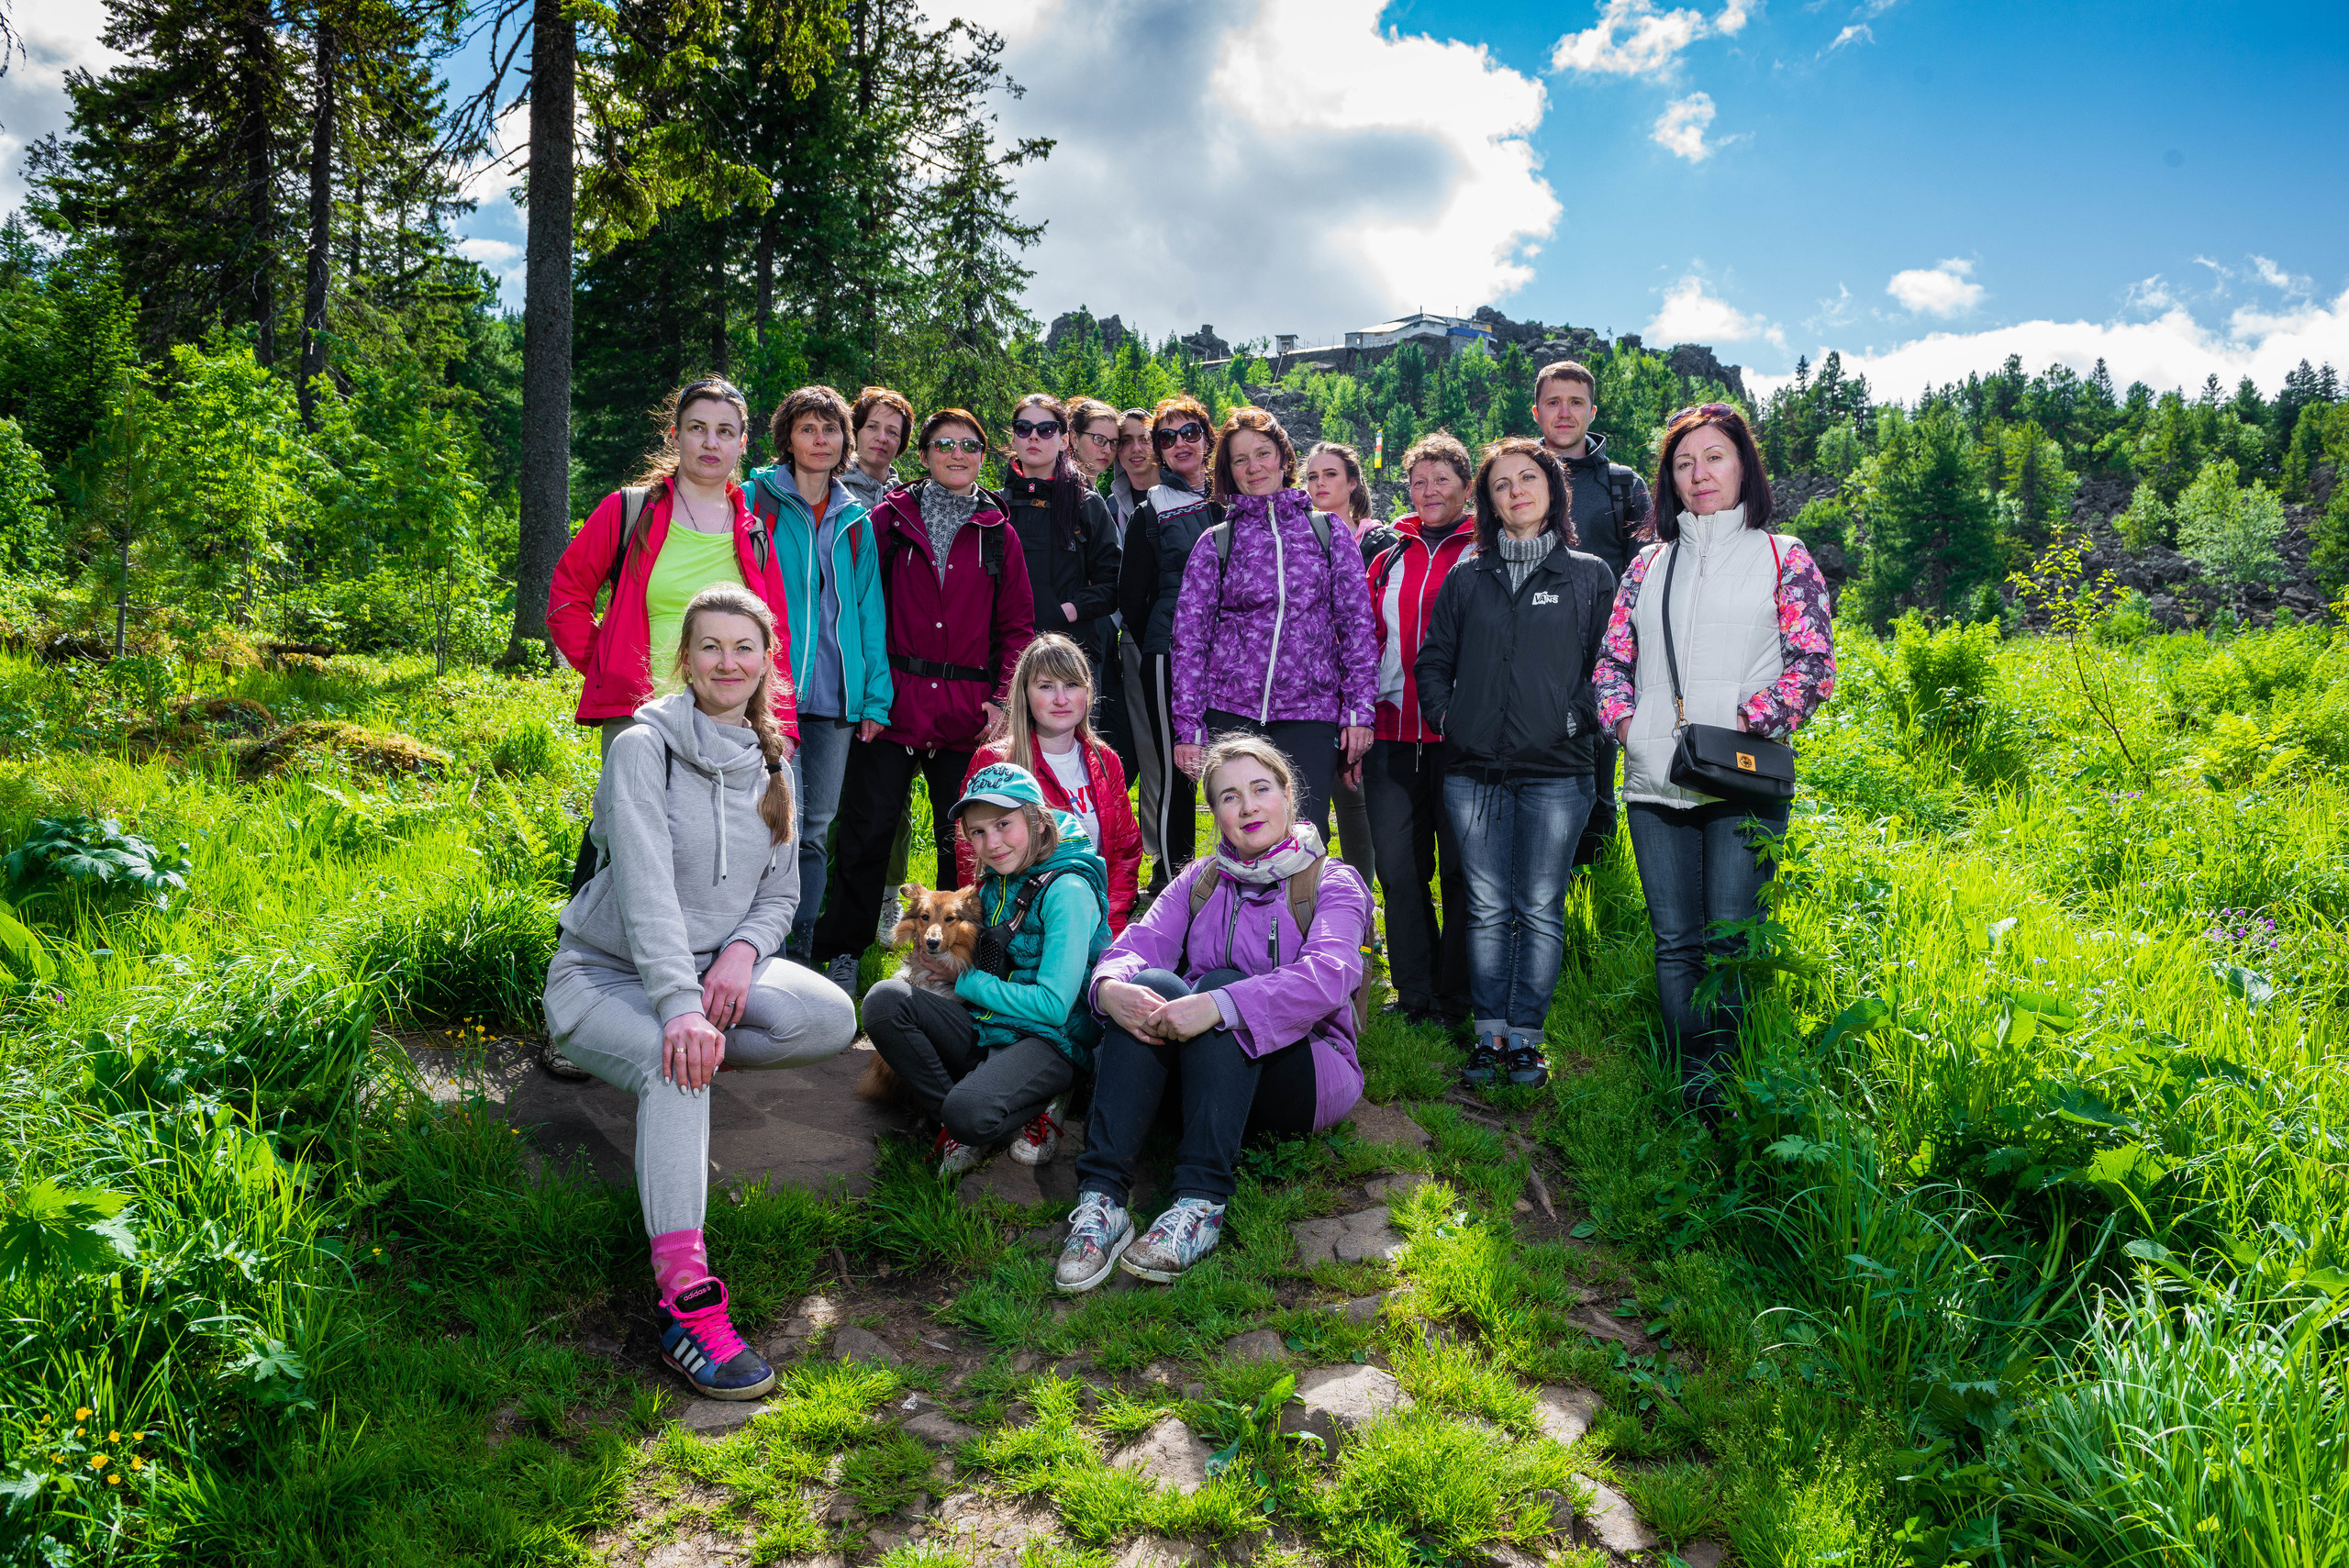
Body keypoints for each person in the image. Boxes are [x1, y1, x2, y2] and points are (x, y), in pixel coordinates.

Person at [542, 585, 858, 1399]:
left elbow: (781, 894)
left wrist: (742, 955)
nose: (728, 662)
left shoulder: (773, 757)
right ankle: (686, 1303)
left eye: (744, 648)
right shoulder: (643, 749)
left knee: (827, 1015)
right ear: (687, 657)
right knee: (674, 1066)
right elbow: (645, 891)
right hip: (606, 975)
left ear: (765, 662)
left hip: (710, 971)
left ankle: (687, 1062)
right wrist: (679, 1006)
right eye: (711, 647)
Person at [1592, 404, 1835, 1116]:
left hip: (1743, 778)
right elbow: (1611, 664)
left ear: (1743, 466)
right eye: (1685, 461)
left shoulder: (1783, 556)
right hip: (1655, 780)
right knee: (1676, 945)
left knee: (1731, 943)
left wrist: (1735, 723)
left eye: (1715, 457)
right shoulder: (1646, 565)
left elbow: (1811, 667)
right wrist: (1635, 729)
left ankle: (1728, 1098)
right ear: (1670, 476)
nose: (1700, 473)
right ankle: (1686, 1090)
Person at [1059, 734, 1369, 1291]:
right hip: (1206, 1072)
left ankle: (1199, 1205)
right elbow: (1139, 944)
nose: (1248, 807)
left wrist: (1221, 1003)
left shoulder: (1331, 880)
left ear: (1287, 795)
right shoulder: (1202, 878)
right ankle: (1102, 1204)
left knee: (1227, 985)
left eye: (1260, 789)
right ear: (1216, 812)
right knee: (1149, 983)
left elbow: (1331, 973)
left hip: (1305, 1070)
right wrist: (1108, 988)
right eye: (1229, 797)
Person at [1415, 439, 1617, 1090]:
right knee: (1485, 905)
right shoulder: (1468, 578)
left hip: (1559, 772)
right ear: (1488, 501)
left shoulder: (1588, 575)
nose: (1516, 492)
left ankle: (1526, 1038)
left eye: (1528, 478)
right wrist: (1450, 718)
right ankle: (1488, 1032)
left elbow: (1608, 667)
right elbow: (1433, 661)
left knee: (1537, 903)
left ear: (1554, 490)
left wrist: (1572, 717)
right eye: (1501, 485)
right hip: (1473, 769)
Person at [811, 408, 1036, 991]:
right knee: (867, 830)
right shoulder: (888, 521)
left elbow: (1016, 627)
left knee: (964, 846)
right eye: (943, 445)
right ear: (926, 455)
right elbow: (857, 610)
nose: (956, 454)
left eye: (968, 445)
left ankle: (964, 967)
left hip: (968, 715)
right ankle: (843, 952)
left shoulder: (998, 532)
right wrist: (865, 696)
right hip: (892, 707)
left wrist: (1001, 703)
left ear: (983, 455)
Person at [863, 762, 1111, 1174]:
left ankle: (1038, 1102)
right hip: (992, 1023)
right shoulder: (998, 879)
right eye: (978, 831)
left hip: (1050, 1039)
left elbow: (1053, 1006)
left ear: (1034, 818)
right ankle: (962, 1118)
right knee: (884, 1001)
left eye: (1003, 824)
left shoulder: (1068, 890)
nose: (991, 842)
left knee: (968, 1112)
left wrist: (964, 979)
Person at [548, 378, 802, 759]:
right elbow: (566, 596)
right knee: (634, 819)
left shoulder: (755, 534)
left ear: (742, 444)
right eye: (697, 428)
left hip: (728, 726)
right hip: (640, 718)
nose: (710, 442)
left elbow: (775, 637)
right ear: (675, 435)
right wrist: (606, 662)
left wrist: (780, 726)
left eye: (725, 431)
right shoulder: (628, 511)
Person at [1167, 406, 1376, 840]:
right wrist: (1188, 725)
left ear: (1284, 458)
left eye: (1263, 453)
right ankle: (1240, 912)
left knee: (1304, 835)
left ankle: (1302, 911)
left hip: (1310, 714)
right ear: (1229, 471)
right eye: (1240, 460)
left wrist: (1358, 711)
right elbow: (1189, 639)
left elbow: (1357, 626)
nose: (1254, 467)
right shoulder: (1216, 543)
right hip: (1231, 714)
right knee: (1244, 837)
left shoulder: (1327, 533)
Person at [747, 385, 892, 962]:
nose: (819, 439)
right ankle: (761, 945)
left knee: (815, 828)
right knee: (779, 820)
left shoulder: (855, 520)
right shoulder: (758, 500)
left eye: (830, 430)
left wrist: (875, 699)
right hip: (768, 693)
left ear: (843, 441)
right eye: (807, 428)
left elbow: (868, 608)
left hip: (835, 697)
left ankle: (799, 950)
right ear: (788, 435)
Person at [1360, 431, 1477, 1028]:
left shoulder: (1487, 550)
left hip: (1460, 741)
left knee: (1459, 870)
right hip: (1389, 733)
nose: (1428, 490)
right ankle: (1414, 990)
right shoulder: (1388, 557)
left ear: (1467, 485)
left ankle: (1456, 998)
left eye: (1441, 479)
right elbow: (1365, 642)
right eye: (1418, 480)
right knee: (1400, 870)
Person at [1535, 361, 1653, 870]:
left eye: (1576, 402)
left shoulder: (1623, 485)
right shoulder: (1513, 475)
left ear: (1592, 411)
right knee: (1529, 774)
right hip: (1527, 654)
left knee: (1599, 784)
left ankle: (1595, 897)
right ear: (1537, 411)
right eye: (1554, 402)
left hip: (1601, 660)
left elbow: (1646, 571)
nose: (1565, 413)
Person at [957, 632, 1142, 933]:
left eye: (1071, 685)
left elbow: (1125, 855)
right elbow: (972, 862)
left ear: (1087, 691)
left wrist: (1109, 927)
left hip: (1096, 927)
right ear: (1026, 694)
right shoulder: (996, 762)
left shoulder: (1105, 761)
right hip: (1018, 932)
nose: (1060, 699)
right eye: (1046, 686)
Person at [1116, 396, 1224, 891]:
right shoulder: (1151, 509)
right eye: (1167, 436)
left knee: (1232, 764)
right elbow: (1131, 596)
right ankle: (1171, 882)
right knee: (1174, 767)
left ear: (1208, 439)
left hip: (1231, 657)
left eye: (1190, 433)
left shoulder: (1235, 499)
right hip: (1168, 654)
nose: (1180, 443)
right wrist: (1163, 640)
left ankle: (1234, 878)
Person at [1300, 440, 1387, 887]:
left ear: (1353, 482)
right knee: (1309, 802)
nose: (1319, 483)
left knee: (1354, 800)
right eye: (1312, 476)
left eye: (1329, 474)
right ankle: (1310, 905)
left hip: (1361, 686)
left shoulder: (1380, 542)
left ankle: (1359, 911)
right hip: (1311, 690)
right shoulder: (1301, 534)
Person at [1002, 393, 1121, 669]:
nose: (1034, 437)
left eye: (1046, 429)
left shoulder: (1087, 504)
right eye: (1024, 428)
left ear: (1064, 440)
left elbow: (1112, 584)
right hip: (1006, 660)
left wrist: (1065, 611)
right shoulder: (995, 508)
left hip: (1072, 658)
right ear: (1013, 437)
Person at [1108, 408, 1164, 890]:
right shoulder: (1111, 503)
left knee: (1158, 752)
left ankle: (1164, 856)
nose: (1135, 449)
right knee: (1131, 750)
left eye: (1145, 439)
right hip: (1118, 640)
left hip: (1161, 641)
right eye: (1126, 441)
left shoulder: (1179, 500)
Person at [842, 386, 915, 514]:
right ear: (855, 432)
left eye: (892, 432)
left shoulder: (909, 501)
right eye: (872, 427)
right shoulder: (830, 489)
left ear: (901, 443)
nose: (882, 438)